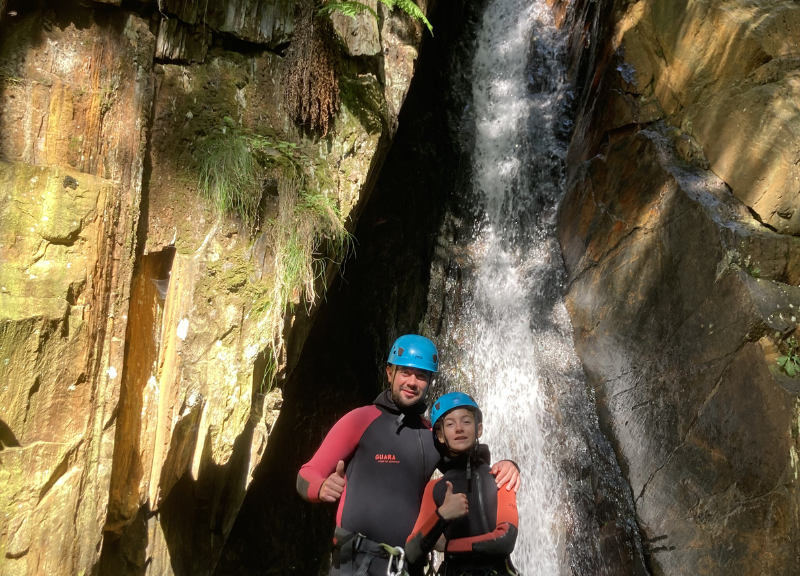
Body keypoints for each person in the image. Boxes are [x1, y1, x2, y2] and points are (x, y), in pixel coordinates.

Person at [297, 335, 520, 576]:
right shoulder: (359, 420)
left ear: (429, 382)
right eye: (405, 372)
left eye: (421, 375)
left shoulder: (432, 434)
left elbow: (468, 468)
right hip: (354, 563)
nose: (412, 382)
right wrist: (320, 487)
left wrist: (509, 465)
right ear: (390, 373)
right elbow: (306, 474)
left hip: (409, 566)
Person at [405, 392, 520, 576]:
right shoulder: (435, 488)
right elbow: (411, 552)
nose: (459, 428)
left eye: (466, 421)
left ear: (479, 429)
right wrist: (441, 516)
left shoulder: (501, 475)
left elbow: (506, 540)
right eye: (450, 424)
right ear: (441, 435)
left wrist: (448, 546)